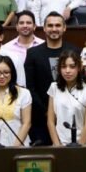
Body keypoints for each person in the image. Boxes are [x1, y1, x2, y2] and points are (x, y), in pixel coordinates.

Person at [25, 12, 80, 145]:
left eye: (57, 25)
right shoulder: (33, 53)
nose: (54, 29)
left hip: (70, 115)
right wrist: (47, 112)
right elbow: (31, 88)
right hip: (41, 118)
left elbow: (80, 82)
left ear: (64, 28)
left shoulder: (75, 51)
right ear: (44, 28)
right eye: (50, 25)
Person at [47, 51, 86, 147]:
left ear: (79, 68)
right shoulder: (54, 87)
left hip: (83, 146)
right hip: (60, 145)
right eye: (63, 67)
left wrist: (79, 148)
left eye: (72, 66)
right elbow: (50, 121)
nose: (67, 71)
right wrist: (57, 145)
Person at [0, 56, 32, 147]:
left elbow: (26, 123)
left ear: (12, 73)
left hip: (19, 145)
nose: (1, 76)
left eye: (6, 72)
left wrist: (14, 148)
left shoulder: (24, 93)